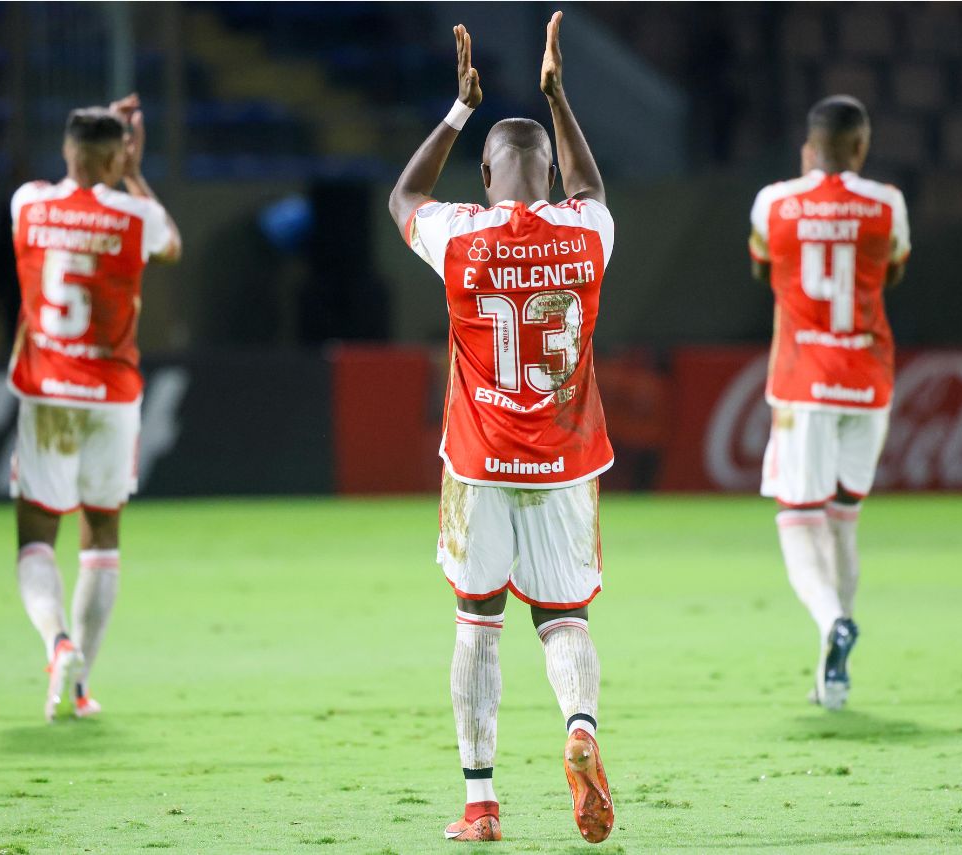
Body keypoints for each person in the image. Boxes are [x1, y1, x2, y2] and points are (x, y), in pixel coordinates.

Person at [388, 12, 615, 844]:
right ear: (550, 175)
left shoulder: (459, 235)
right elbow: (592, 190)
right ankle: (579, 726)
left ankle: (481, 804)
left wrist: (459, 108)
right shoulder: (588, 231)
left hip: (480, 459)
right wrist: (559, 98)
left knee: (476, 623)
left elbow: (402, 197)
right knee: (564, 618)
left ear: (484, 174)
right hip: (565, 461)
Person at [7, 94, 181, 722]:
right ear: (115, 159)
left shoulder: (27, 202)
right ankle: (81, 685)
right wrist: (133, 173)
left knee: (36, 535)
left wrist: (106, 163)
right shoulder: (136, 215)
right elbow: (171, 245)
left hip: (47, 393)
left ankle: (57, 642)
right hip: (111, 396)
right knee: (101, 533)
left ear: (66, 151)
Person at [748, 95, 910, 710]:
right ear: (861, 146)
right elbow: (891, 272)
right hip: (868, 379)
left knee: (797, 518)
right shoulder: (887, 203)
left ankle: (832, 623)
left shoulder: (775, 202)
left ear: (808, 148)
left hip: (802, 381)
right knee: (843, 521)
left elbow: (764, 267)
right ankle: (830, 680)